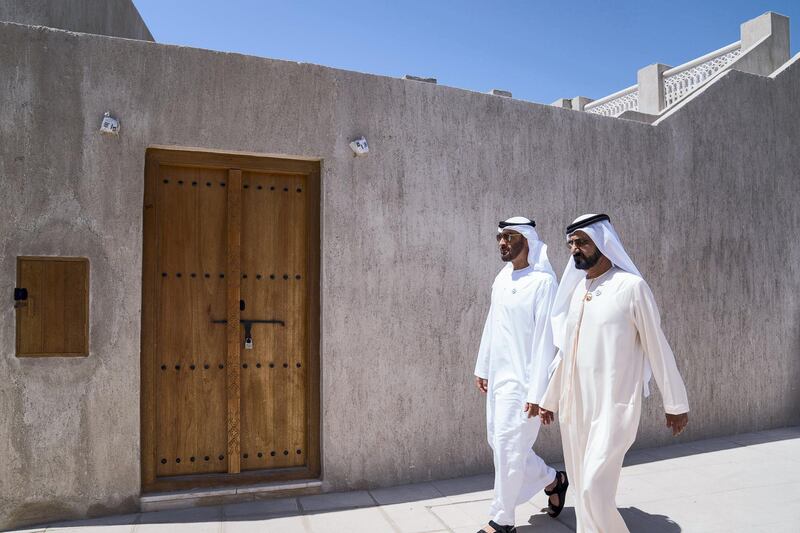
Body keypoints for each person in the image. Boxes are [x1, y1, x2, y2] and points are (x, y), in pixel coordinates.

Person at [539, 213, 690, 533]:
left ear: (604, 243)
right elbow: (568, 352)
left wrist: (675, 403)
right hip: (574, 409)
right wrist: (550, 398)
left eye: (582, 242)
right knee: (584, 492)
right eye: (571, 244)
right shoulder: (578, 292)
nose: (575, 249)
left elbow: (657, 346)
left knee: (594, 487)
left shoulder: (631, 287)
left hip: (614, 406)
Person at [474, 216, 569, 533]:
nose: (502, 242)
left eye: (509, 237)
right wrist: (483, 365)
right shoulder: (502, 279)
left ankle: (501, 520)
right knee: (500, 446)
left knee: (510, 449)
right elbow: (492, 324)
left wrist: (537, 392)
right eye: (499, 236)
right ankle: (553, 479)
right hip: (500, 379)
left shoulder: (543, 283)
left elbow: (547, 341)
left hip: (526, 383)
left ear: (527, 240)